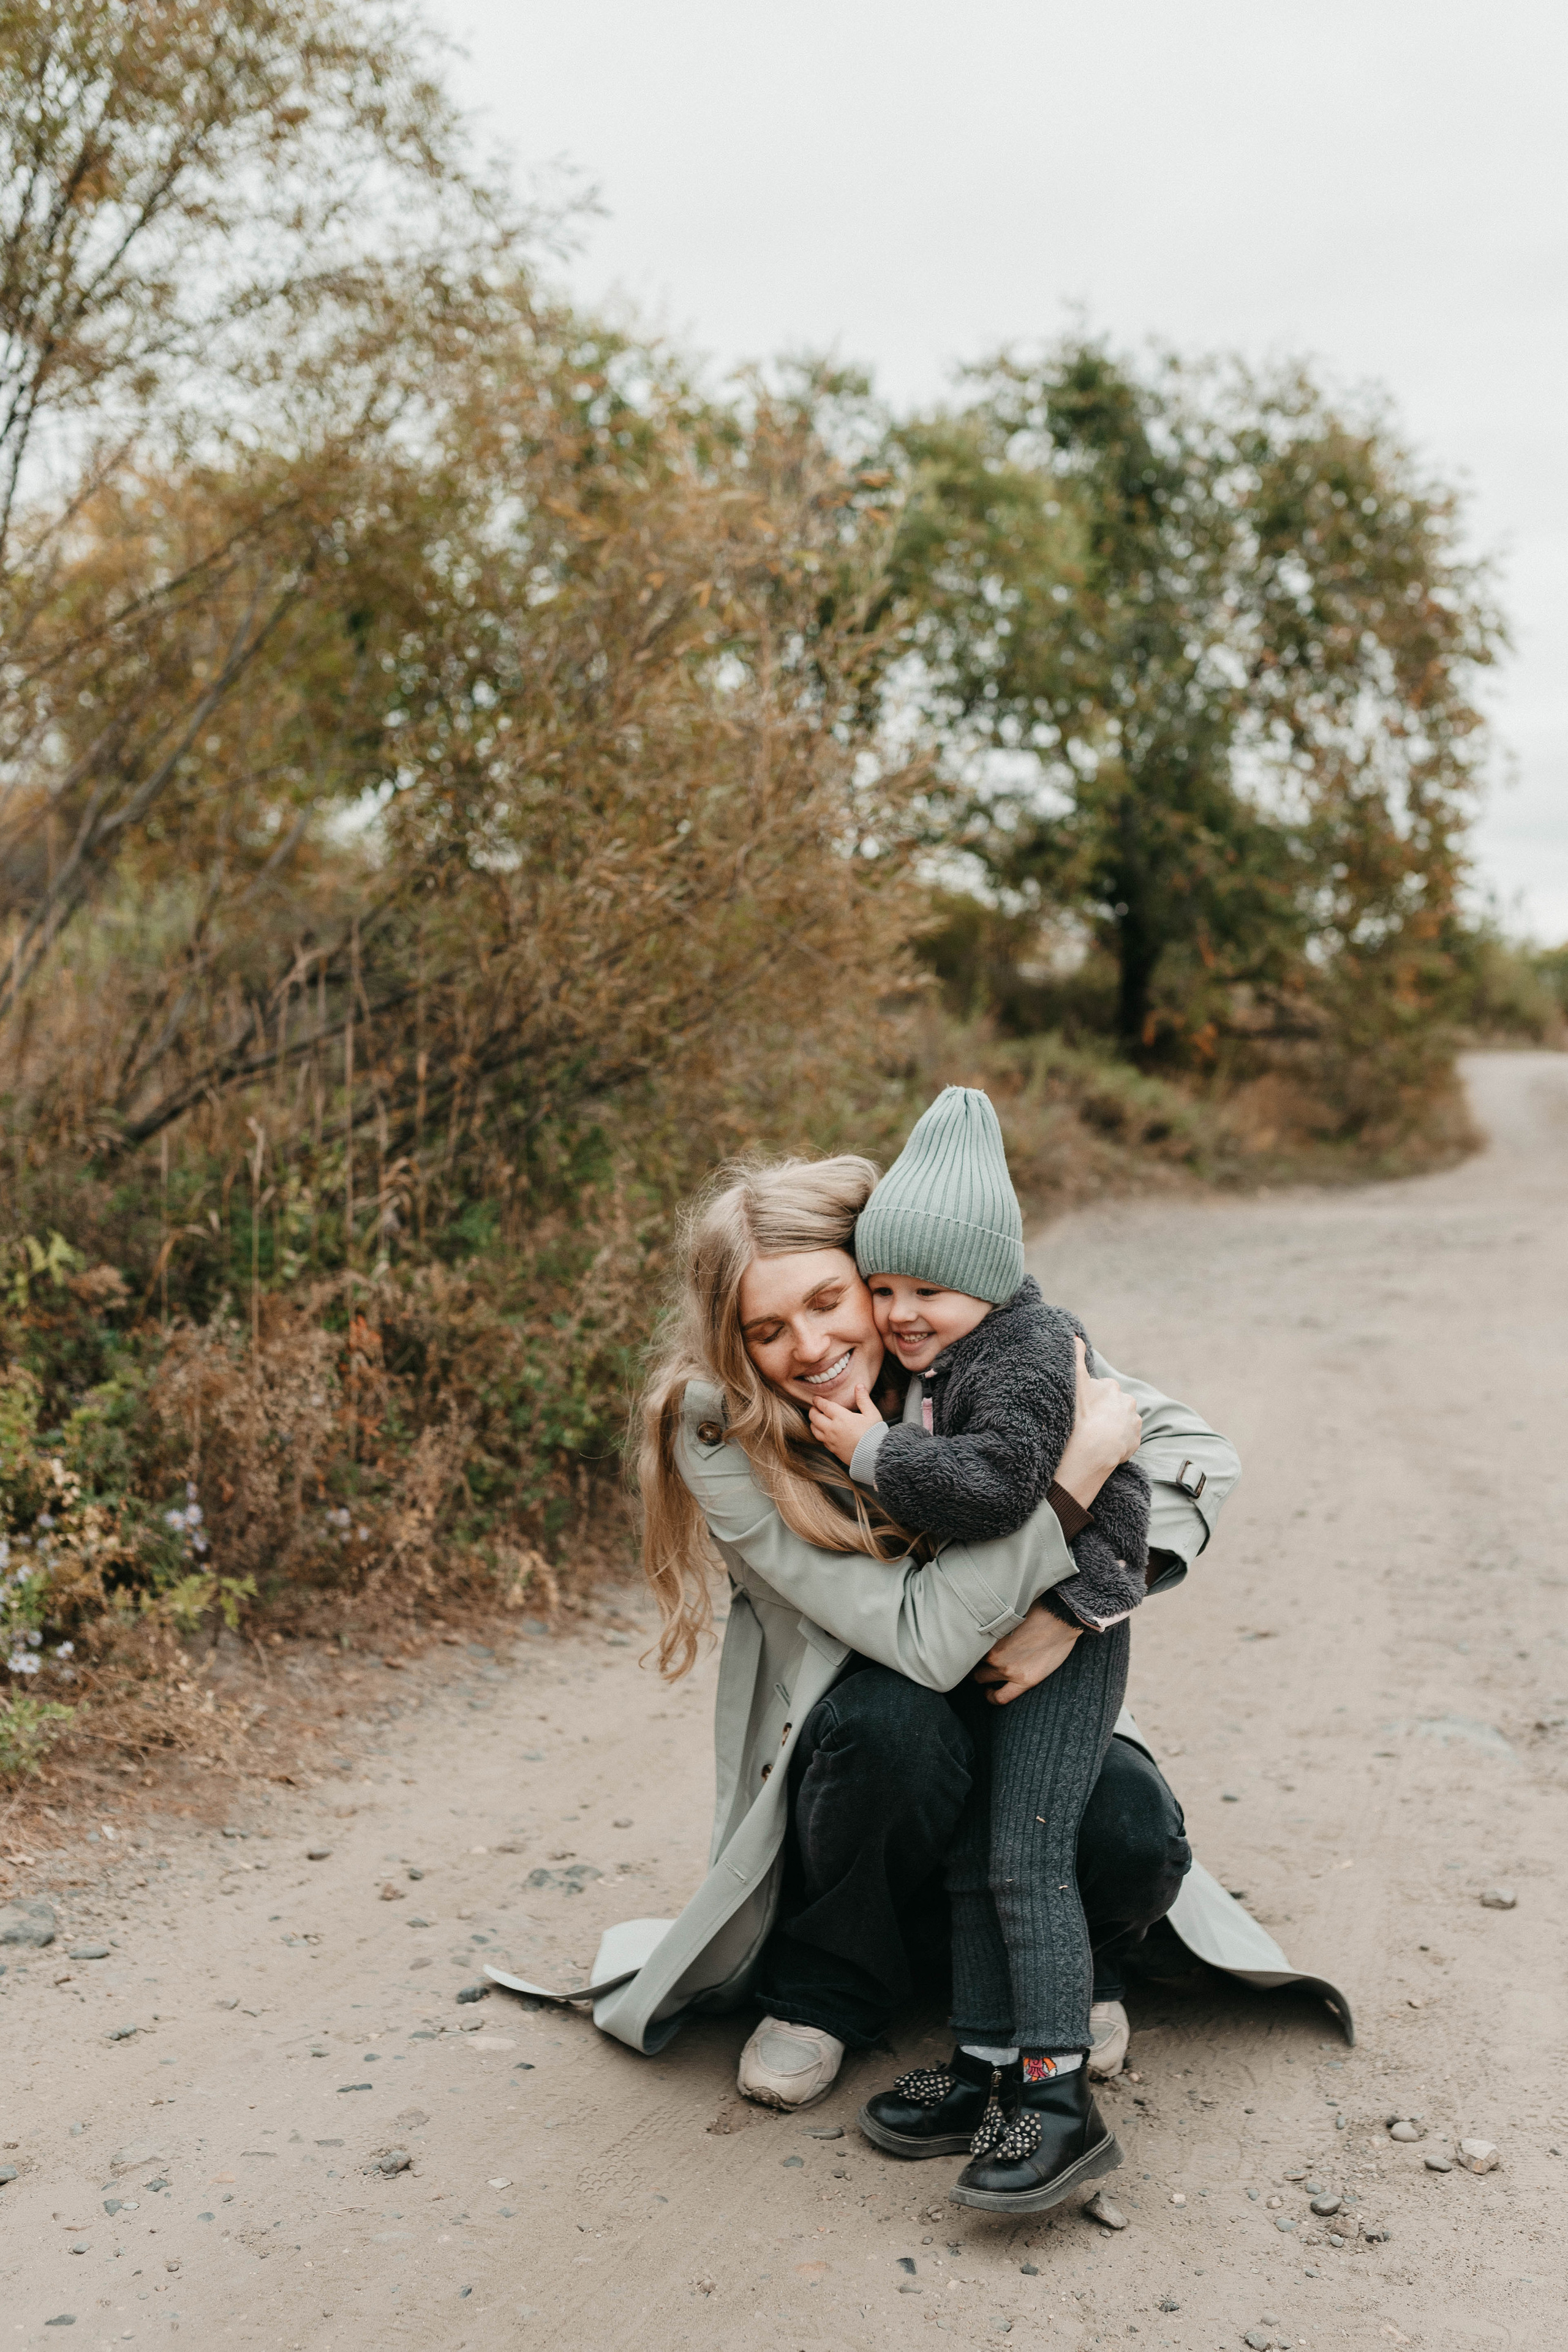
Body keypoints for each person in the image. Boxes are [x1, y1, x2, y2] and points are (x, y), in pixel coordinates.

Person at [804, 1087, 1153, 2212]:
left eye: (930, 1291)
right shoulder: (952, 1351)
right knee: (971, 1857)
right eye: (886, 1288)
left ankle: (1058, 2101)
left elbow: (999, 1490)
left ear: (993, 1278)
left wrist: (870, 1452)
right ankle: (984, 2066)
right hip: (992, 1637)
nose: (902, 1314)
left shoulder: (1029, 1351)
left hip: (1064, 1636)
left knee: (1026, 1858)